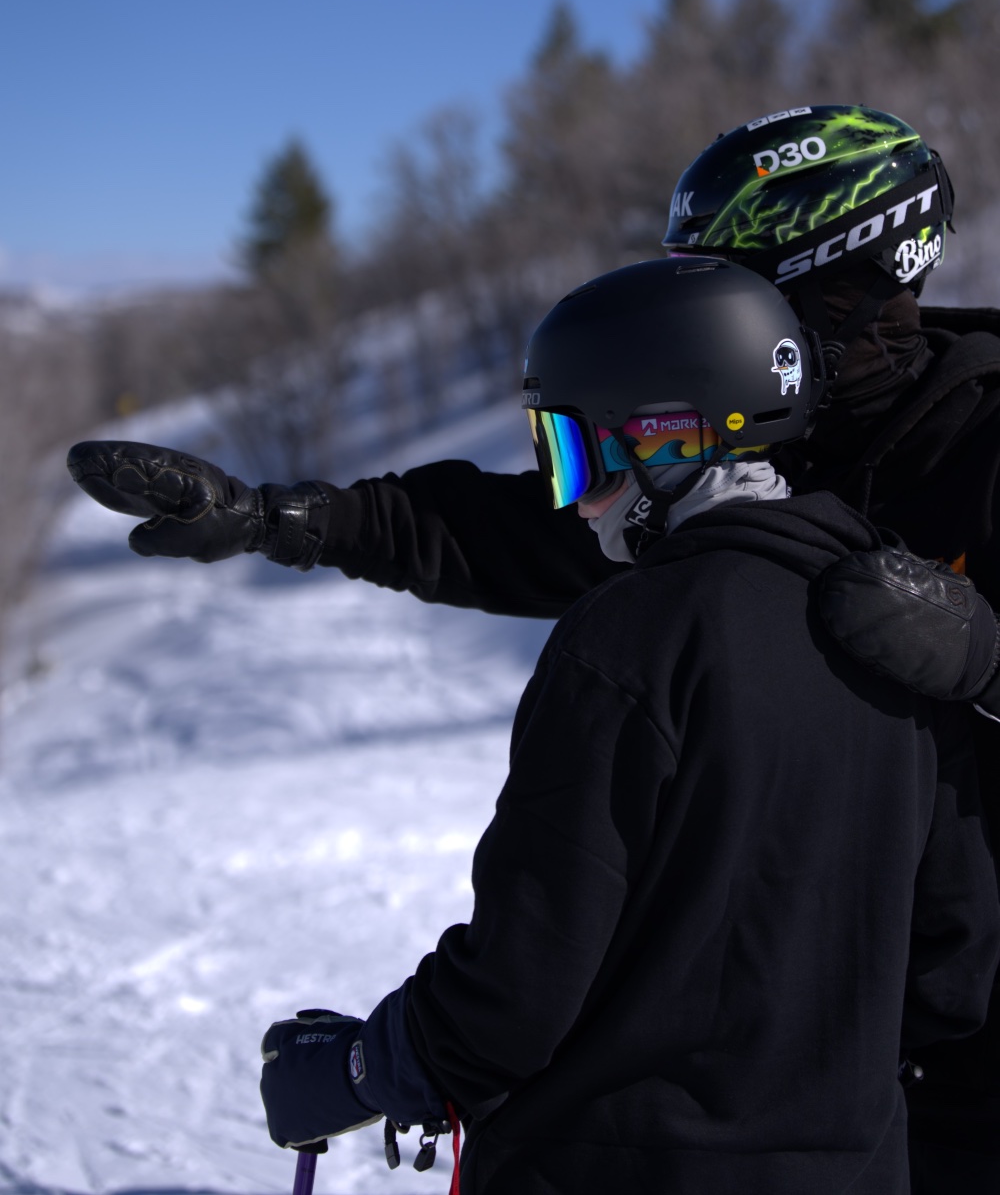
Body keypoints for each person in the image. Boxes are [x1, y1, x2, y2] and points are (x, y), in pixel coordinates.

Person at [66, 104, 1000, 1190]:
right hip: (838, 1061)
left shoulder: (975, 442)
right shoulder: (745, 450)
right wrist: (286, 517)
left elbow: (521, 971)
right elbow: (545, 522)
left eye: (726, 284)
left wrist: (985, 658)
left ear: (833, 278)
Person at [254, 256, 1000, 1195]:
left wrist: (363, 1066)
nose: (571, 500)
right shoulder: (897, 624)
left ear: (665, 440)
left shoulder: (631, 634)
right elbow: (953, 965)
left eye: (573, 457)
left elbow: (518, 991)